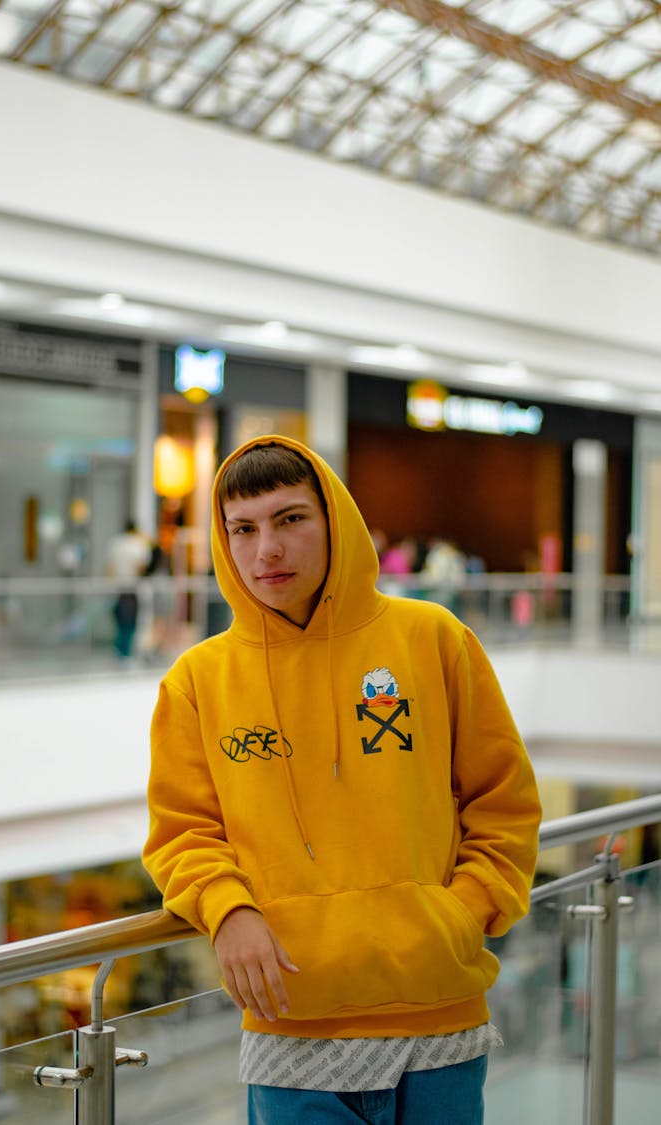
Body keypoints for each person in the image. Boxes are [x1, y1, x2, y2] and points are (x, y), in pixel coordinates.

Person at [143, 436, 541, 1125]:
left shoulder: (433, 638)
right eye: (243, 528)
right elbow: (183, 831)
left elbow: (503, 800)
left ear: (338, 523)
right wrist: (226, 908)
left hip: (438, 1019)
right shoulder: (197, 682)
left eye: (290, 519)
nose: (265, 549)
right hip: (292, 1029)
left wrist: (462, 913)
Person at [105, 519, 150, 659]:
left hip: (117, 586)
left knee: (119, 619)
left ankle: (119, 648)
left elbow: (110, 567)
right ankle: (124, 651)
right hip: (131, 586)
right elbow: (141, 566)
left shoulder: (116, 543)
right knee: (130, 621)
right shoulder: (138, 544)